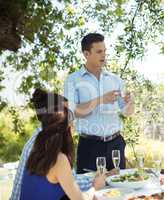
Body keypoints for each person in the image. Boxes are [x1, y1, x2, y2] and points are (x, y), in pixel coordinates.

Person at [64, 33, 134, 173]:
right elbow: (71, 112)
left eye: (105, 51)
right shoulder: (73, 80)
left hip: (116, 144)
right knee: (90, 191)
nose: (104, 55)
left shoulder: (116, 80)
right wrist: (101, 99)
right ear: (86, 53)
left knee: (119, 191)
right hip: (90, 146)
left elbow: (127, 113)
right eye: (99, 51)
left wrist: (130, 103)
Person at [19, 89, 106, 200]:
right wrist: (95, 187)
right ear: (65, 128)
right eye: (71, 124)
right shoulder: (59, 159)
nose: (74, 128)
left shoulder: (37, 152)